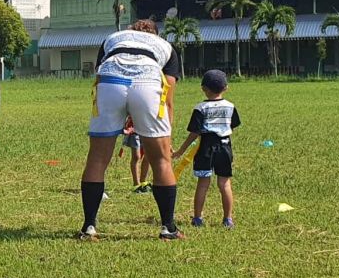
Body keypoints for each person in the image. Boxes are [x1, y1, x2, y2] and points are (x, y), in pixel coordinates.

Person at [79, 19, 183, 241]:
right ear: (155, 34)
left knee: (97, 159)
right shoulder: (165, 46)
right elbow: (169, 99)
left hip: (110, 82)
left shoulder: (113, 38)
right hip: (147, 83)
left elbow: (100, 74)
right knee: (161, 161)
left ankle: (88, 227)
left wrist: (121, 111)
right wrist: (167, 137)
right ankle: (169, 228)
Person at [173, 69, 240, 229]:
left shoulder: (200, 108)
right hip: (224, 146)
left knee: (203, 183)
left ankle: (197, 218)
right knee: (224, 183)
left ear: (203, 88)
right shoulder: (230, 107)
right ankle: (227, 219)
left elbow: (194, 133)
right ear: (226, 88)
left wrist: (180, 151)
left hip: (205, 148)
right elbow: (233, 125)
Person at [121, 116, 151, 192]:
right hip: (133, 129)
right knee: (136, 157)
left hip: (147, 128)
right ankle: (136, 184)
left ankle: (143, 182)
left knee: (148, 156)